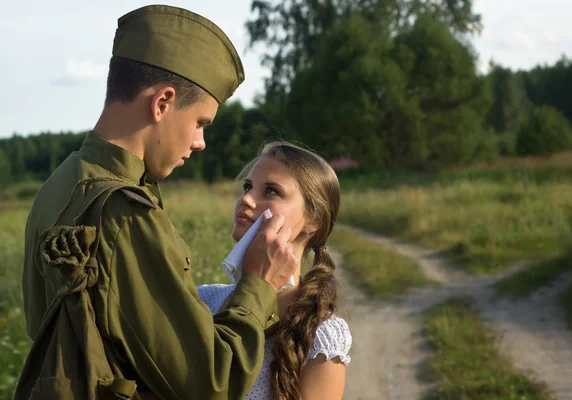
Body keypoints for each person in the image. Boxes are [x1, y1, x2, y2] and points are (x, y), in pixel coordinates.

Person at [17, 5, 298, 400]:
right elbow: (212, 382)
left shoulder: (61, 182)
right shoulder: (124, 214)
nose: (200, 142)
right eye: (200, 122)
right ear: (163, 102)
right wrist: (259, 283)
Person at [198, 142, 352, 400]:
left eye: (271, 191)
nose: (246, 199)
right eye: (247, 187)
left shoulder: (322, 337)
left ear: (313, 219)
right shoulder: (202, 300)